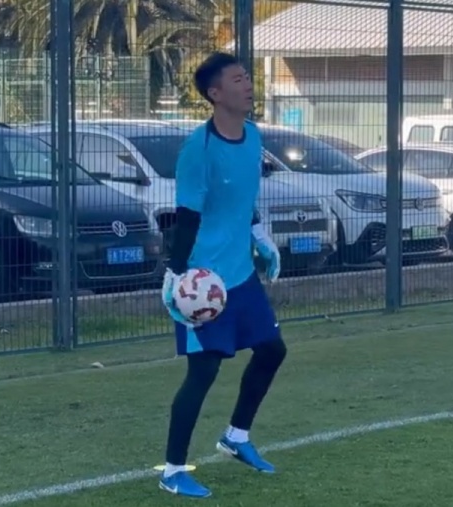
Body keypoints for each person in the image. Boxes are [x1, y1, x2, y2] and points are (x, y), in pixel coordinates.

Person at [158, 51, 287, 499]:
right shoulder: (198, 148)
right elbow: (187, 216)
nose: (248, 85)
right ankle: (173, 470)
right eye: (237, 80)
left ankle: (236, 437)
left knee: (272, 350)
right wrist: (175, 275)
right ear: (215, 94)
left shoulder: (253, 137)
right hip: (202, 283)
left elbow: (244, 201)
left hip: (240, 274)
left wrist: (260, 236)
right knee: (204, 371)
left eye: (247, 77)